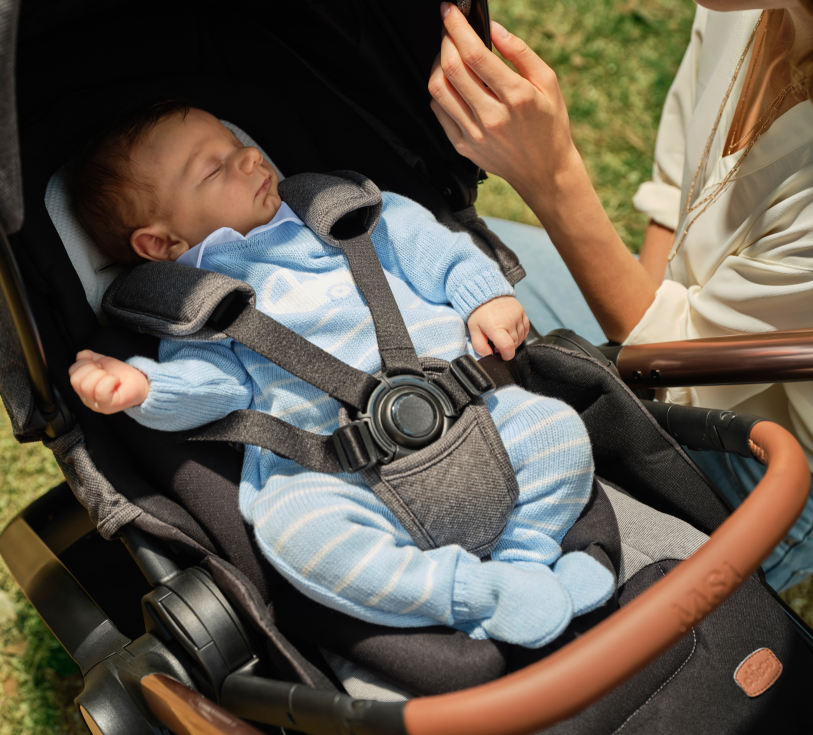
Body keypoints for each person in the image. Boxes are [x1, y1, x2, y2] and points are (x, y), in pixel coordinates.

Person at [67, 103, 615, 648]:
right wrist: (146, 388)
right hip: (340, 472)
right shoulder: (199, 309)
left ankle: (528, 561)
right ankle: (472, 593)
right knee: (294, 528)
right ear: (161, 244)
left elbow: (440, 251)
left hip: (470, 416)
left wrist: (484, 295)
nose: (251, 157)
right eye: (215, 168)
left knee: (555, 428)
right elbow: (215, 391)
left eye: (237, 146)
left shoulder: (351, 216)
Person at [429, 1, 813, 591]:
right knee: (441, 267)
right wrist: (632, 320)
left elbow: (680, 373)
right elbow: (677, 172)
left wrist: (551, 176)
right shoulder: (749, 6)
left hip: (758, 463)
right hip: (668, 343)